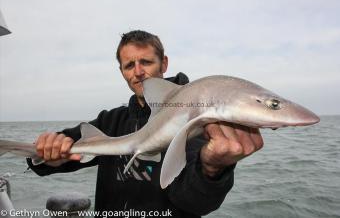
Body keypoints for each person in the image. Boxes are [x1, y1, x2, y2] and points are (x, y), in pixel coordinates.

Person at [27, 30, 264, 218]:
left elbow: (195, 203)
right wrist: (47, 155)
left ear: (164, 63)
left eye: (146, 62)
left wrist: (212, 169)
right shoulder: (112, 121)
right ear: (122, 72)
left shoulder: (197, 118)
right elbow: (44, 160)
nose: (138, 72)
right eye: (129, 65)